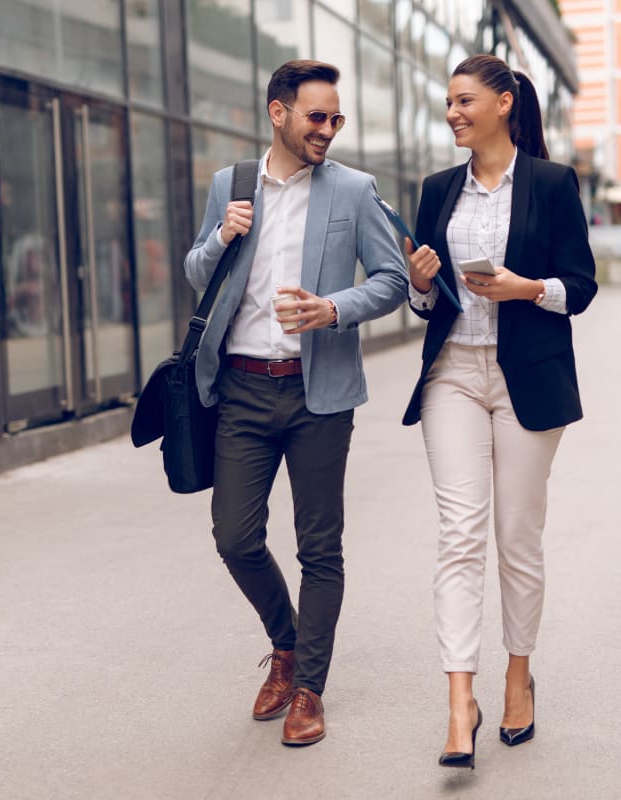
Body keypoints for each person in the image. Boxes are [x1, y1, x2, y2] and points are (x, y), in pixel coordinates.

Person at [184, 60, 407, 746]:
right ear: (279, 113)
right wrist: (221, 236)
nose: (329, 130)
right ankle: (285, 644)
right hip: (243, 390)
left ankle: (309, 687)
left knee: (320, 547)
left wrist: (332, 308)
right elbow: (198, 273)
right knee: (235, 537)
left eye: (336, 118)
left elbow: (393, 279)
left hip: (319, 395)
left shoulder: (354, 190)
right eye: (317, 116)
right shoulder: (232, 184)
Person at [402, 54, 597, 769]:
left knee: (517, 537)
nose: (453, 113)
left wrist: (526, 289)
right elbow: (425, 304)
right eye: (448, 103)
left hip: (527, 381)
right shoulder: (436, 190)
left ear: (504, 102)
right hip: (452, 372)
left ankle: (518, 675)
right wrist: (421, 285)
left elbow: (580, 286)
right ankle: (460, 702)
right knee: (459, 535)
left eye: (463, 100)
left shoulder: (551, 183)